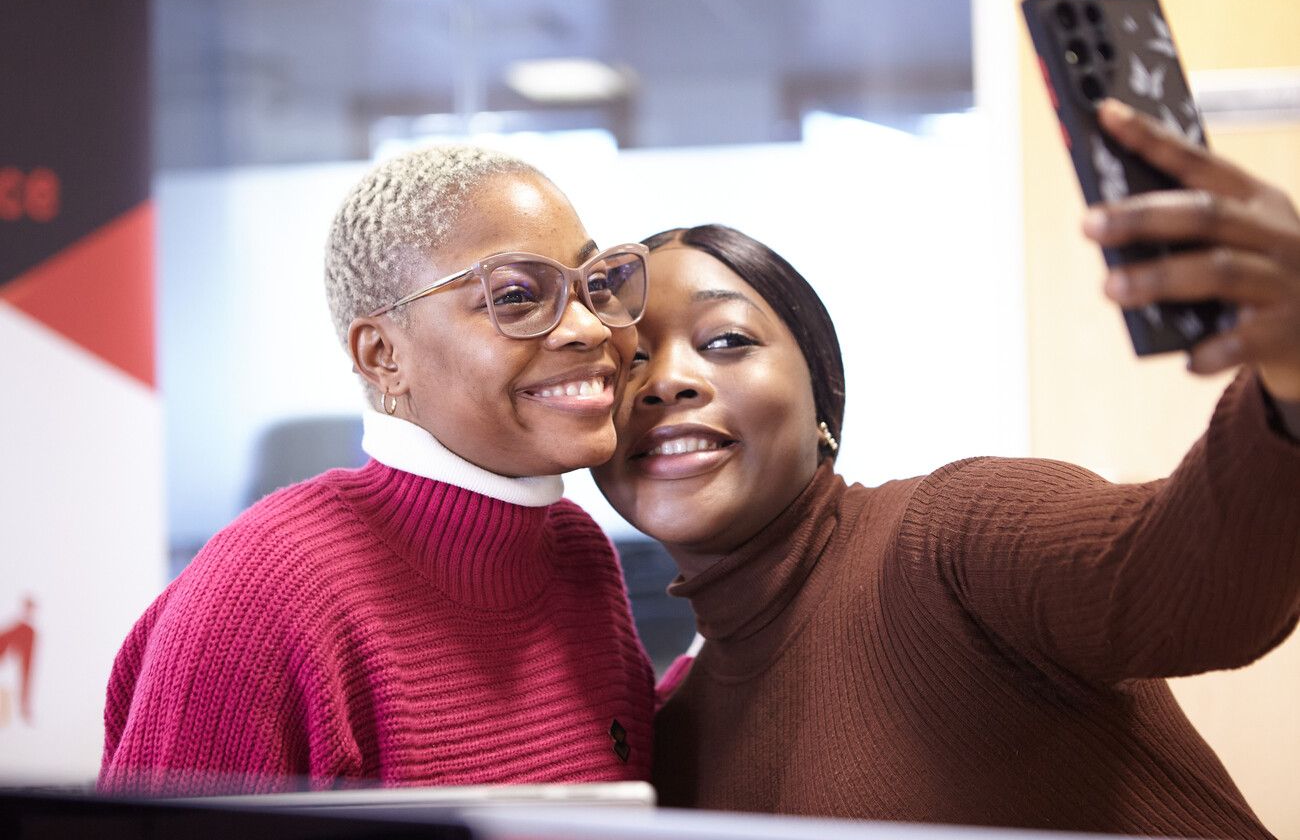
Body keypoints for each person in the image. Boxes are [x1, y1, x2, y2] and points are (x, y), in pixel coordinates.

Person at [592, 100, 1300, 838]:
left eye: (727, 340)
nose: (666, 380)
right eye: (628, 359)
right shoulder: (670, 748)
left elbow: (1185, 590)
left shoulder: (948, 538)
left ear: (823, 400)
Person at [100, 145, 655, 795]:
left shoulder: (577, 551)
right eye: (515, 295)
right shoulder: (264, 593)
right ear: (383, 354)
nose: (588, 327)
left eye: (595, 284)